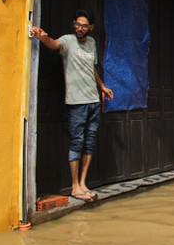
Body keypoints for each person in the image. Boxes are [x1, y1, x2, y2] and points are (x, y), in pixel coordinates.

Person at [31, 11, 114, 202]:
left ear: (90, 28)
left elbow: (91, 69)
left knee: (90, 141)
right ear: (74, 24)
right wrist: (42, 37)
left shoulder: (92, 43)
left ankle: (83, 183)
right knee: (77, 142)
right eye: (77, 24)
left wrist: (102, 86)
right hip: (76, 102)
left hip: (93, 100)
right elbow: (53, 44)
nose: (80, 28)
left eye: (84, 25)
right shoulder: (67, 41)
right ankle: (75, 186)